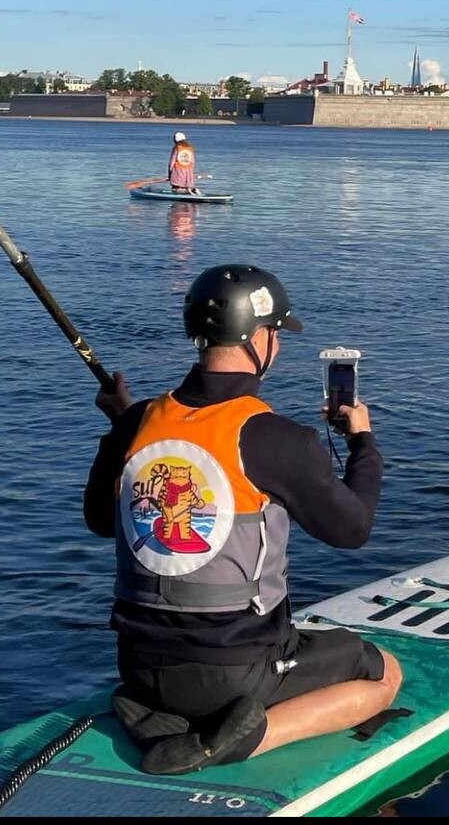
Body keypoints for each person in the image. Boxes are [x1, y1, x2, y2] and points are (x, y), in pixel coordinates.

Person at [84, 264, 401, 775]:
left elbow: (101, 520)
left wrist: (120, 428)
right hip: (234, 677)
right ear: (259, 338)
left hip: (138, 665)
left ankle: (162, 714)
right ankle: (246, 737)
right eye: (276, 333)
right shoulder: (276, 438)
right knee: (383, 673)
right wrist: (363, 443)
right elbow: (353, 529)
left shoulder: (134, 425)